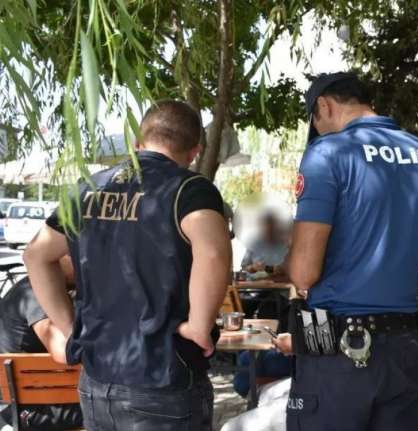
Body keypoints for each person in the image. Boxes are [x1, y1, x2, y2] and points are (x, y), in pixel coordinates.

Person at [23, 100, 232, 430]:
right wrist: (199, 325)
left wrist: (69, 328)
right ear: (194, 151)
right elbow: (214, 254)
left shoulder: (87, 190)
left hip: (96, 378)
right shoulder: (190, 189)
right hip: (163, 375)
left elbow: (35, 255)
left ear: (138, 141)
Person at [284, 72, 418, 431]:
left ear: (324, 106)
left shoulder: (327, 154)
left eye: (316, 123)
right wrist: (401, 232)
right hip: (405, 349)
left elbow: (304, 273)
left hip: (339, 353)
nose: (318, 133)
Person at [0, 256, 82, 430]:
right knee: (120, 406)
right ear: (59, 258)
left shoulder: (34, 286)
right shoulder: (37, 292)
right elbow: (64, 351)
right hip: (36, 409)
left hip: (34, 400)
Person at [241, 212, 289, 276]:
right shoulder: (253, 244)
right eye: (264, 227)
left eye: (271, 227)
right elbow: (244, 268)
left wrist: (269, 269)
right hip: (255, 284)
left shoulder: (285, 245)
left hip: (279, 283)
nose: (268, 230)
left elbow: (289, 269)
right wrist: (253, 267)